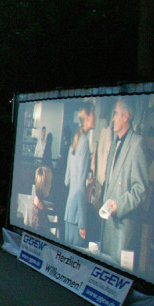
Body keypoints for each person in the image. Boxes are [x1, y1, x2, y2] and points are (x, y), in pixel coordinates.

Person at [100, 97, 149, 266]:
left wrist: (118, 206)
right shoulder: (115, 144)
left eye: (115, 114)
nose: (112, 119)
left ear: (125, 116)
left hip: (122, 227)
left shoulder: (136, 144)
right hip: (108, 223)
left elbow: (140, 190)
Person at [63, 101, 94, 248]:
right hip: (77, 216)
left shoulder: (75, 141)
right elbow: (81, 187)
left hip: (69, 210)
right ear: (87, 116)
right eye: (93, 113)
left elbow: (67, 180)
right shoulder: (84, 142)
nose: (95, 117)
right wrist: (83, 222)